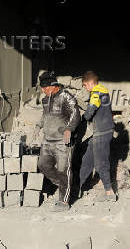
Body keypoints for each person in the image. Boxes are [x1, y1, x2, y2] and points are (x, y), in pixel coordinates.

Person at [32, 71, 81, 211]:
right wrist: (38, 125)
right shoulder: (45, 99)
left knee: (63, 169)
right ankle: (65, 186)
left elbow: (75, 114)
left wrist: (69, 129)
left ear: (53, 86)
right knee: (43, 165)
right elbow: (45, 115)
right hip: (48, 140)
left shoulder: (66, 96)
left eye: (45, 88)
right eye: (42, 88)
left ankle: (64, 201)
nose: (43, 91)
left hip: (63, 141)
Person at [79, 71, 116, 202]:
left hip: (102, 132)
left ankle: (109, 192)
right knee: (87, 158)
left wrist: (83, 118)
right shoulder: (103, 91)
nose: (85, 88)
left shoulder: (95, 93)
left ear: (90, 83)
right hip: (102, 131)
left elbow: (90, 111)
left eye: (85, 85)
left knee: (101, 164)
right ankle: (79, 187)